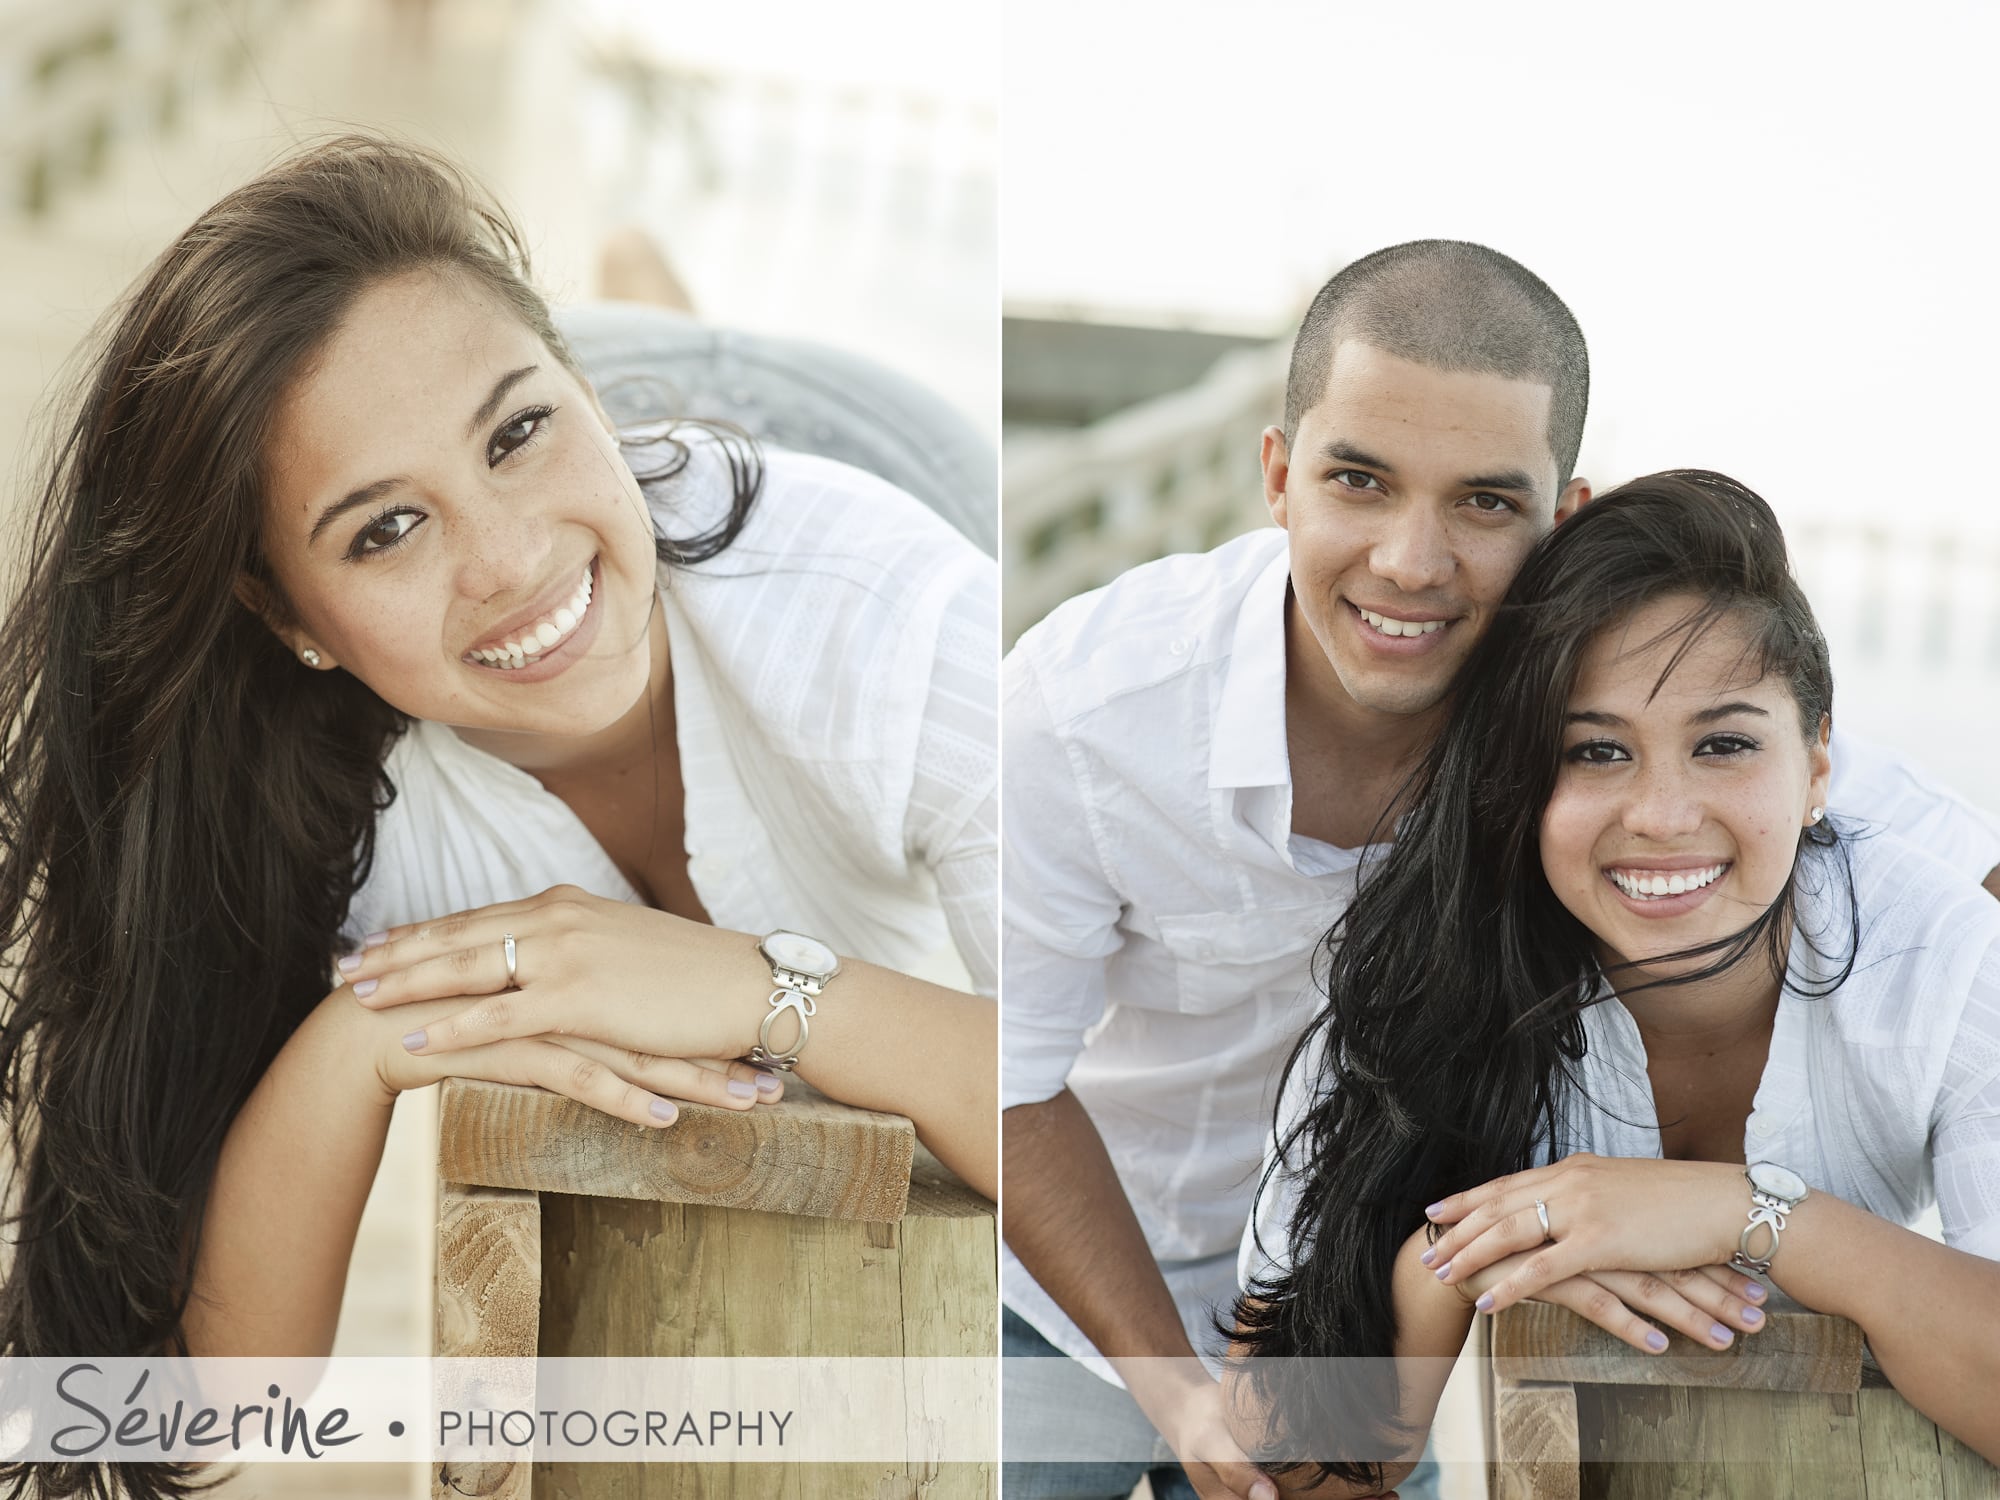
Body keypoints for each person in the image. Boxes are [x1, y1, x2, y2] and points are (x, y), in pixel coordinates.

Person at [0, 135, 995, 1496]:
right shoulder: (331, 794)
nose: (505, 557)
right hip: (609, 445)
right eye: (383, 532)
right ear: (288, 617)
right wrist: (364, 1035)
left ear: (573, 392)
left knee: (662, 448)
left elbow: (1105, 1151)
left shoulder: (901, 622)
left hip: (837, 448)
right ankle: (607, 338)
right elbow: (208, 1409)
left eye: (520, 431)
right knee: (546, 506)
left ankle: (642, 319)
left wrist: (766, 988)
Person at [1000, 241, 2000, 1500]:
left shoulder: (1782, 826)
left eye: (1481, 501)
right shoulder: (1095, 712)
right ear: (1276, 474)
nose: (1412, 564)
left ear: (1556, 518)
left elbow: (1934, 871)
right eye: (1357, 480)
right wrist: (1434, 1271)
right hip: (1096, 1276)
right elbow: (1009, 1079)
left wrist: (1740, 1213)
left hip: (1365, 1272)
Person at [1226, 470, 2000, 1493]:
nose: (1661, 814)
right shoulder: (1431, 970)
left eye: (1722, 744)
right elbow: (1266, 1475)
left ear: (1816, 766)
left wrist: (1761, 1218)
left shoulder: (1939, 955)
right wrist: (1464, 1261)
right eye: (1594, 752)